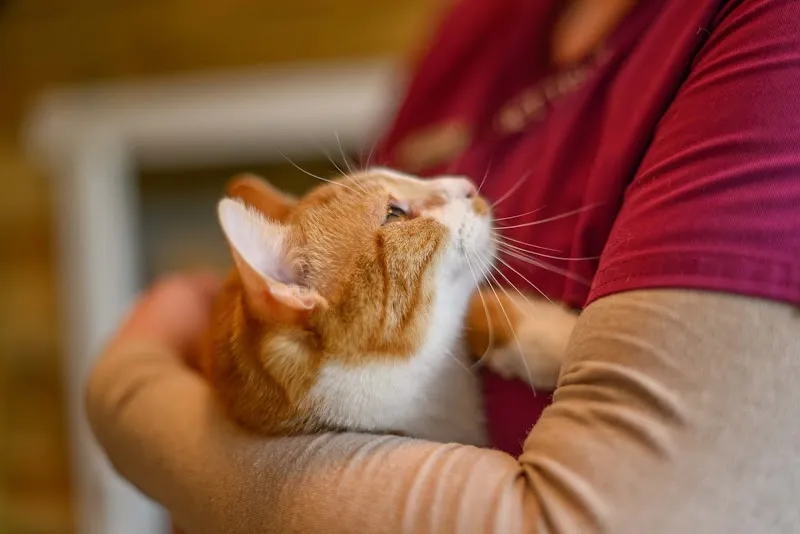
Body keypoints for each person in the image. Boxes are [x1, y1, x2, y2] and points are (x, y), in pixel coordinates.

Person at [86, 0, 800, 532]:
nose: (465, 186)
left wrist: (131, 395)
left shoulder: (769, 32)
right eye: (405, 209)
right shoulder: (479, 21)